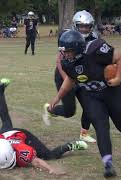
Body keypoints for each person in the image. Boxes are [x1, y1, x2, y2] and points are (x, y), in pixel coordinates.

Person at [48, 30, 121, 178]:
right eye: (63, 51)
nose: (64, 55)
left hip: (112, 92)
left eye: (68, 51)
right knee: (101, 126)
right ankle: (108, 164)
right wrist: (58, 97)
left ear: (77, 49)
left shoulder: (95, 49)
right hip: (92, 96)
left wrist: (118, 78)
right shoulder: (67, 63)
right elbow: (71, 79)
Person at [0, 78, 88, 173]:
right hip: (3, 136)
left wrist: (50, 169)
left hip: (22, 136)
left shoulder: (22, 151)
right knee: (5, 120)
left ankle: (72, 145)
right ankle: (1, 90)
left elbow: (37, 161)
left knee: (49, 155)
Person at [43, 10, 97, 143]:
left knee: (90, 105)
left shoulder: (94, 37)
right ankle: (50, 109)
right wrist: (70, 79)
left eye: (87, 26)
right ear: (75, 25)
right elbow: (59, 61)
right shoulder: (66, 36)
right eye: (81, 26)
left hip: (82, 75)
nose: (84, 29)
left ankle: (84, 133)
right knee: (69, 112)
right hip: (64, 75)